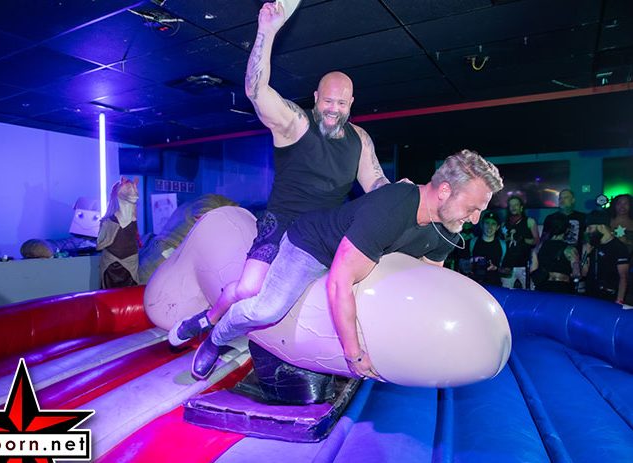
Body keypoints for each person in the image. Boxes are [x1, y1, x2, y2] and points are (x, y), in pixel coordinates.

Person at [168, 1, 392, 347]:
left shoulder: (360, 139)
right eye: (328, 101)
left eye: (341, 103)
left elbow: (375, 183)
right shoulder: (296, 123)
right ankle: (209, 321)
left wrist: (400, 195)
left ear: (351, 103)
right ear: (316, 98)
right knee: (249, 289)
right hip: (283, 220)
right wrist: (267, 31)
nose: (333, 110)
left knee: (322, 294)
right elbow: (256, 92)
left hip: (322, 230)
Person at [191, 150, 503, 379]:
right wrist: (354, 356)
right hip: (312, 245)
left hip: (356, 253)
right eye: (472, 208)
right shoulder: (392, 208)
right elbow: (339, 282)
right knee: (266, 310)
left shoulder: (448, 229)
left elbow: (426, 279)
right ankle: (216, 338)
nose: (476, 219)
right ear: (444, 190)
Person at [580, 210, 629, 304]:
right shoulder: (592, 245)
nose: (587, 231)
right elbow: (583, 273)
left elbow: (623, 277)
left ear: (601, 227)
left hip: (608, 297)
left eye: (590, 228)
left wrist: (619, 300)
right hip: (590, 295)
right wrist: (585, 254)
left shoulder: (619, 247)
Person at [530, 214, 580, 294]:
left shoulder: (538, 248)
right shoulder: (570, 250)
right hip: (562, 288)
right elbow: (576, 274)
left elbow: (533, 271)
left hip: (543, 287)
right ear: (567, 229)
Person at [500, 196, 539, 289]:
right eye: (511, 205)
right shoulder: (504, 224)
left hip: (524, 265)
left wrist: (523, 239)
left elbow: (537, 241)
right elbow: (501, 243)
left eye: (516, 205)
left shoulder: (529, 221)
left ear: (521, 207)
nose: (513, 207)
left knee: (529, 292)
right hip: (508, 265)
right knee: (506, 292)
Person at [468, 211, 506, 286]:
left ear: (497, 227)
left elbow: (508, 271)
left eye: (493, 224)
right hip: (475, 285)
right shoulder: (472, 242)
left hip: (494, 286)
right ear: (482, 225)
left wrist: (496, 268)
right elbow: (462, 265)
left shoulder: (503, 245)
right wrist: (472, 262)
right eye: (487, 223)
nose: (490, 226)